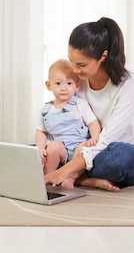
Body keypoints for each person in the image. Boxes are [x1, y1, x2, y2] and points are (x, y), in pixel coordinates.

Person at [44, 17, 134, 192]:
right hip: (82, 149)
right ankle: (85, 179)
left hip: (117, 150)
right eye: (71, 61)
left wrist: (64, 169)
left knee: (120, 157)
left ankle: (68, 172)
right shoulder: (78, 79)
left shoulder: (129, 81)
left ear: (103, 56)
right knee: (39, 151)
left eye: (81, 64)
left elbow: (109, 138)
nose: (75, 70)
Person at [35, 59, 101, 189]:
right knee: (53, 146)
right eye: (58, 83)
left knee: (84, 148)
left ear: (77, 85)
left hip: (77, 147)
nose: (64, 88)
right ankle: (48, 176)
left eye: (69, 83)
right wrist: (40, 148)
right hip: (61, 151)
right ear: (49, 85)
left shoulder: (80, 104)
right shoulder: (46, 110)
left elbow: (93, 123)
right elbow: (40, 131)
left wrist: (94, 138)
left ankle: (71, 177)